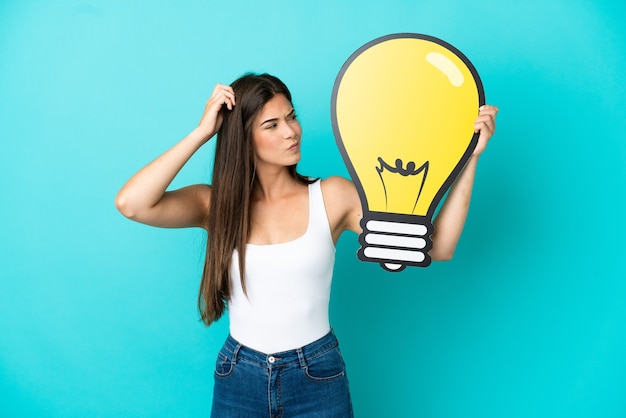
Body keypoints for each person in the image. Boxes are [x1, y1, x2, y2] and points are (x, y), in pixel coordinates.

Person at [115, 73, 498, 417]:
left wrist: (470, 160)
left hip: (317, 375)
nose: (291, 132)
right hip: (238, 376)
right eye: (272, 124)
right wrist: (202, 132)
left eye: (292, 117)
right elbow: (132, 203)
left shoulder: (332, 196)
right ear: (242, 136)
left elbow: (439, 246)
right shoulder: (216, 205)